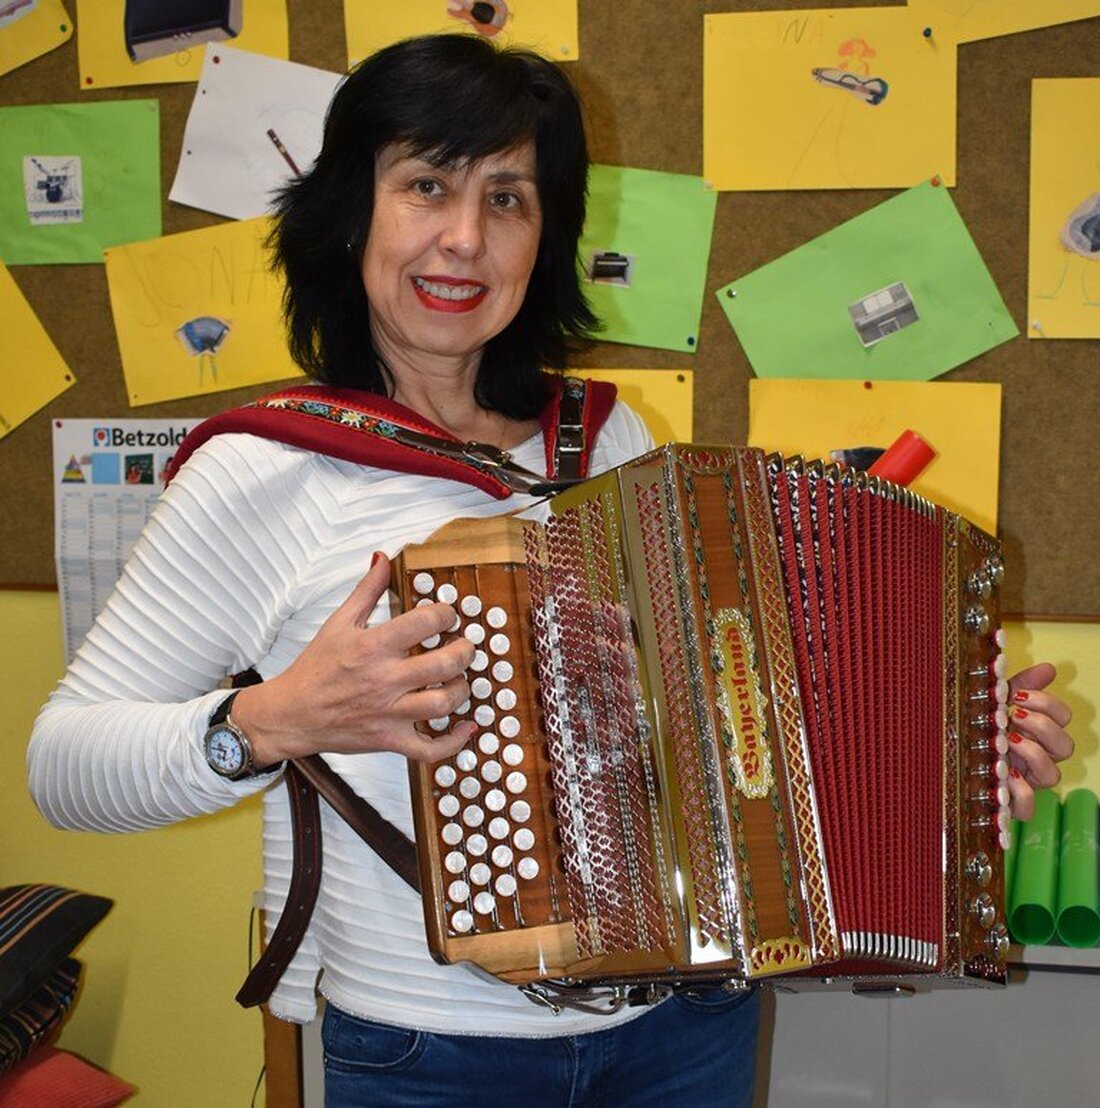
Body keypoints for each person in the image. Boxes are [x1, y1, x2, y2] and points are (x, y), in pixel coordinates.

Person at [28, 33, 1073, 1108]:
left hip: (686, 1029)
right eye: (425, 185)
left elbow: (714, 732)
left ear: (545, 236)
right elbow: (63, 767)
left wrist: (942, 744)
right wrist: (277, 717)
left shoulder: (608, 442)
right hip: (434, 1057)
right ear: (349, 213)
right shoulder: (265, 471)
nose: (464, 238)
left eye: (508, 199)